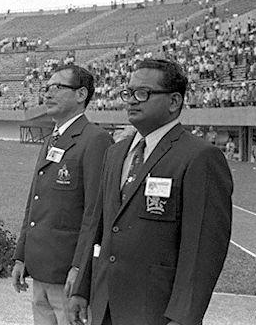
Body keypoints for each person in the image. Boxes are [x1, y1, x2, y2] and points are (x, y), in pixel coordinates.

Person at [67, 59, 233, 325]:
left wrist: (184, 316)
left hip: (155, 310)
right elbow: (98, 226)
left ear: (174, 101)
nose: (132, 100)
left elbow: (203, 248)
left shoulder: (199, 157)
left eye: (143, 93)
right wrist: (81, 288)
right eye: (128, 93)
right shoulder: (115, 153)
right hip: (105, 305)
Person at [12, 65, 113, 325]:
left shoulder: (95, 139)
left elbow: (94, 212)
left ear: (81, 95)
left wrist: (79, 269)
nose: (48, 93)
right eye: (47, 88)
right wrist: (21, 255)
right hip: (40, 267)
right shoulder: (51, 139)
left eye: (57, 87)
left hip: (67, 273)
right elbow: (34, 202)